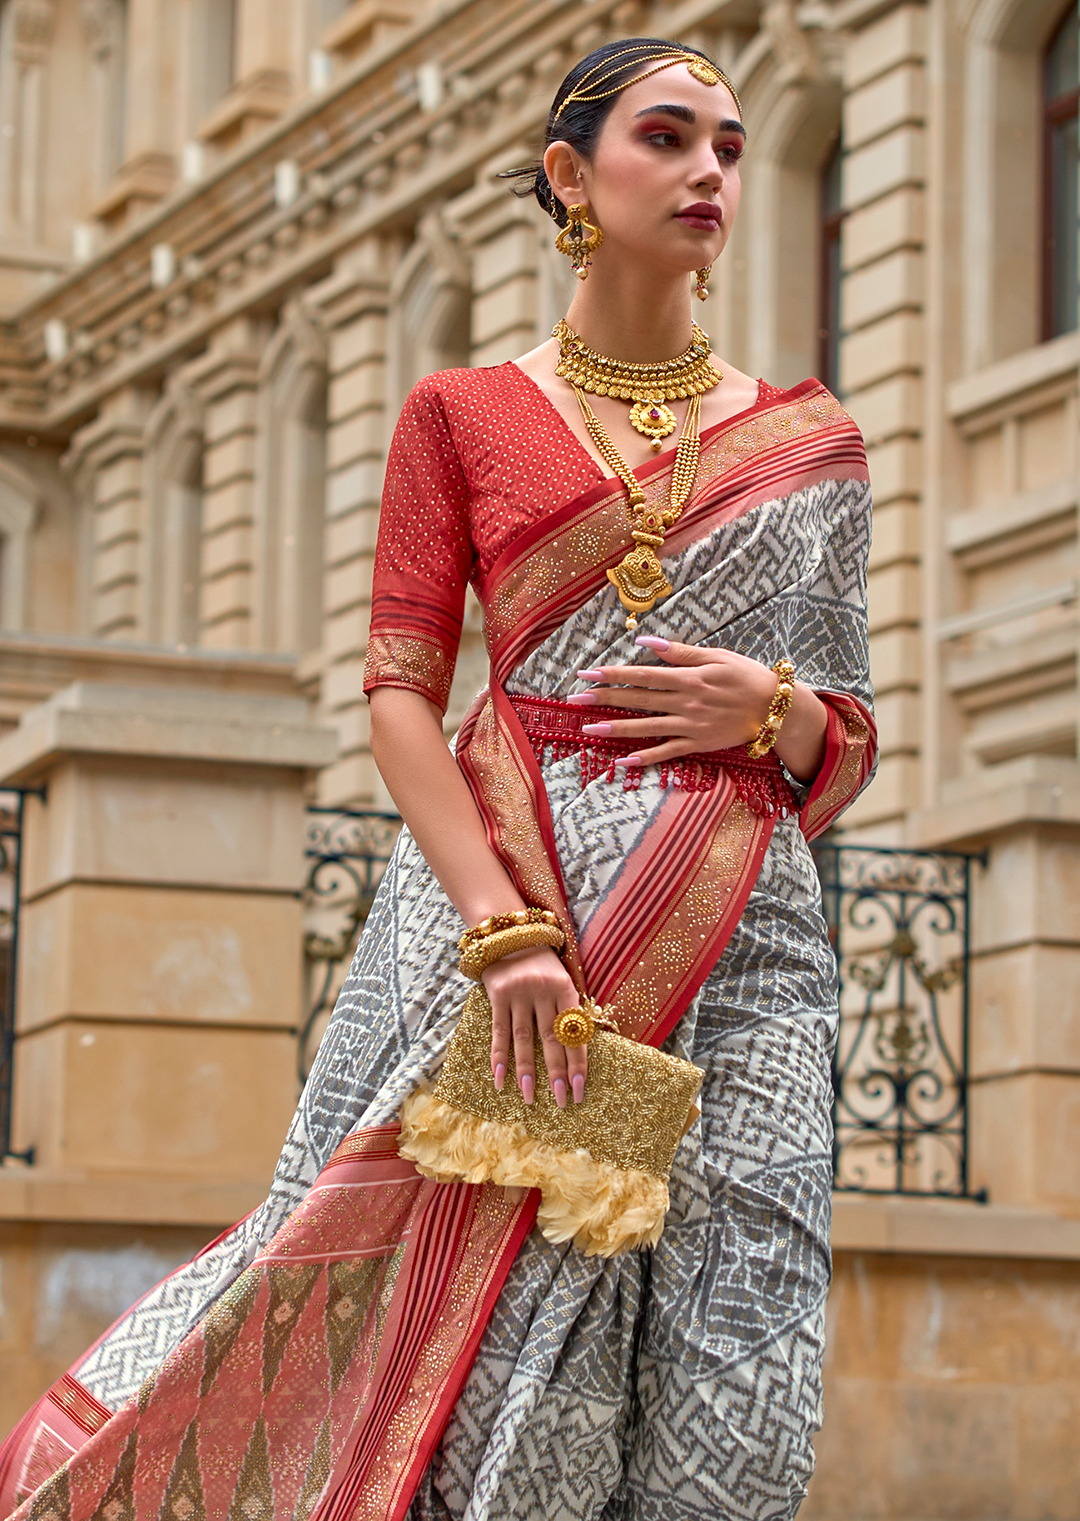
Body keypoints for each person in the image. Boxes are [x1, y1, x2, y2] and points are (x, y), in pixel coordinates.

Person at [0, 37, 875, 1521]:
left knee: (753, 1345)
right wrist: (503, 927)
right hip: (510, 922)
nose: (711, 170)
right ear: (570, 176)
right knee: (505, 1357)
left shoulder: (814, 444)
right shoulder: (460, 414)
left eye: (729, 145)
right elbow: (401, 695)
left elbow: (849, 743)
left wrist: (777, 705)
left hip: (742, 937)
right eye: (668, 137)